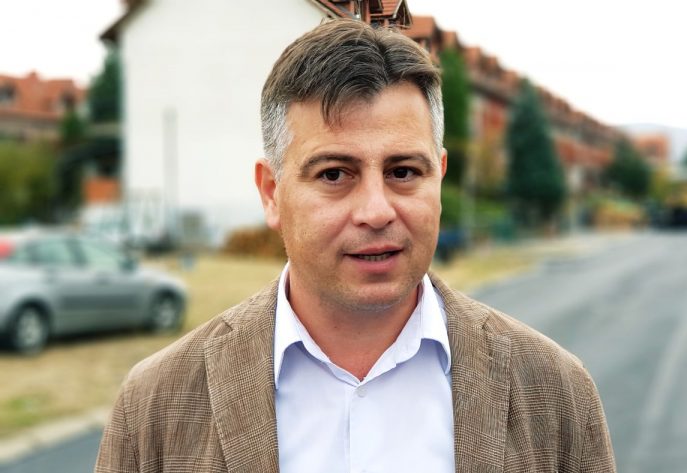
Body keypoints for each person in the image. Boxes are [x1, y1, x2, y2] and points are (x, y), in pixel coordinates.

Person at [95, 19, 615, 473]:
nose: (376, 210)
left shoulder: (554, 391)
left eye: (403, 171)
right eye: (335, 173)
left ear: (439, 177)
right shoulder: (155, 406)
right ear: (272, 192)